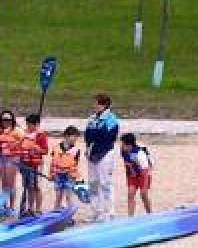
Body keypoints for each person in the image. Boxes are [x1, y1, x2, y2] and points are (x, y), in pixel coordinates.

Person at [84, 93, 120, 222]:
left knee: (105, 183)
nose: (94, 106)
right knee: (93, 183)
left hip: (105, 153)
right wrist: (89, 149)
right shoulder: (92, 118)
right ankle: (95, 211)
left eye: (96, 103)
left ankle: (109, 212)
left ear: (104, 105)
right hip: (92, 153)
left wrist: (99, 150)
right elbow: (87, 135)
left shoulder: (111, 119)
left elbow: (109, 138)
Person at [0, 110, 23, 212]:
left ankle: (12, 206)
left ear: (12, 120)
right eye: (4, 119)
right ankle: (4, 205)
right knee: (3, 183)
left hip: (12, 158)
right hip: (1, 157)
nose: (6, 121)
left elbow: (23, 140)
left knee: (11, 182)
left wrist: (14, 145)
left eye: (8, 119)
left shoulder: (17, 131)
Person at [18, 114, 49, 216]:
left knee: (36, 186)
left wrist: (36, 147)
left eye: (30, 124)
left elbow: (45, 151)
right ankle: (30, 208)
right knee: (28, 187)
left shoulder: (41, 135)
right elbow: (20, 146)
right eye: (27, 124)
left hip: (35, 164)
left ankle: (38, 209)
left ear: (36, 125)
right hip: (24, 163)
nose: (28, 126)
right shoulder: (24, 134)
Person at [50, 126, 84, 212]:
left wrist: (73, 176)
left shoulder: (76, 150)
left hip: (70, 176)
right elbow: (52, 162)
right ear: (66, 136)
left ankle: (70, 214)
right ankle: (56, 212)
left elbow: (75, 164)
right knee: (58, 195)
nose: (75, 139)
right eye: (73, 136)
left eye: (76, 137)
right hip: (58, 175)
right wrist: (51, 174)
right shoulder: (56, 148)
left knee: (69, 196)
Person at [119, 133, 153, 215]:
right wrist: (130, 171)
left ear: (129, 145)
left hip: (143, 174)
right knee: (130, 194)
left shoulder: (140, 153)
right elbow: (127, 162)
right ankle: (130, 217)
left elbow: (146, 170)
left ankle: (150, 214)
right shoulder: (123, 151)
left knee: (143, 195)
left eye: (123, 144)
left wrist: (144, 186)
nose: (121, 145)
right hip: (132, 175)